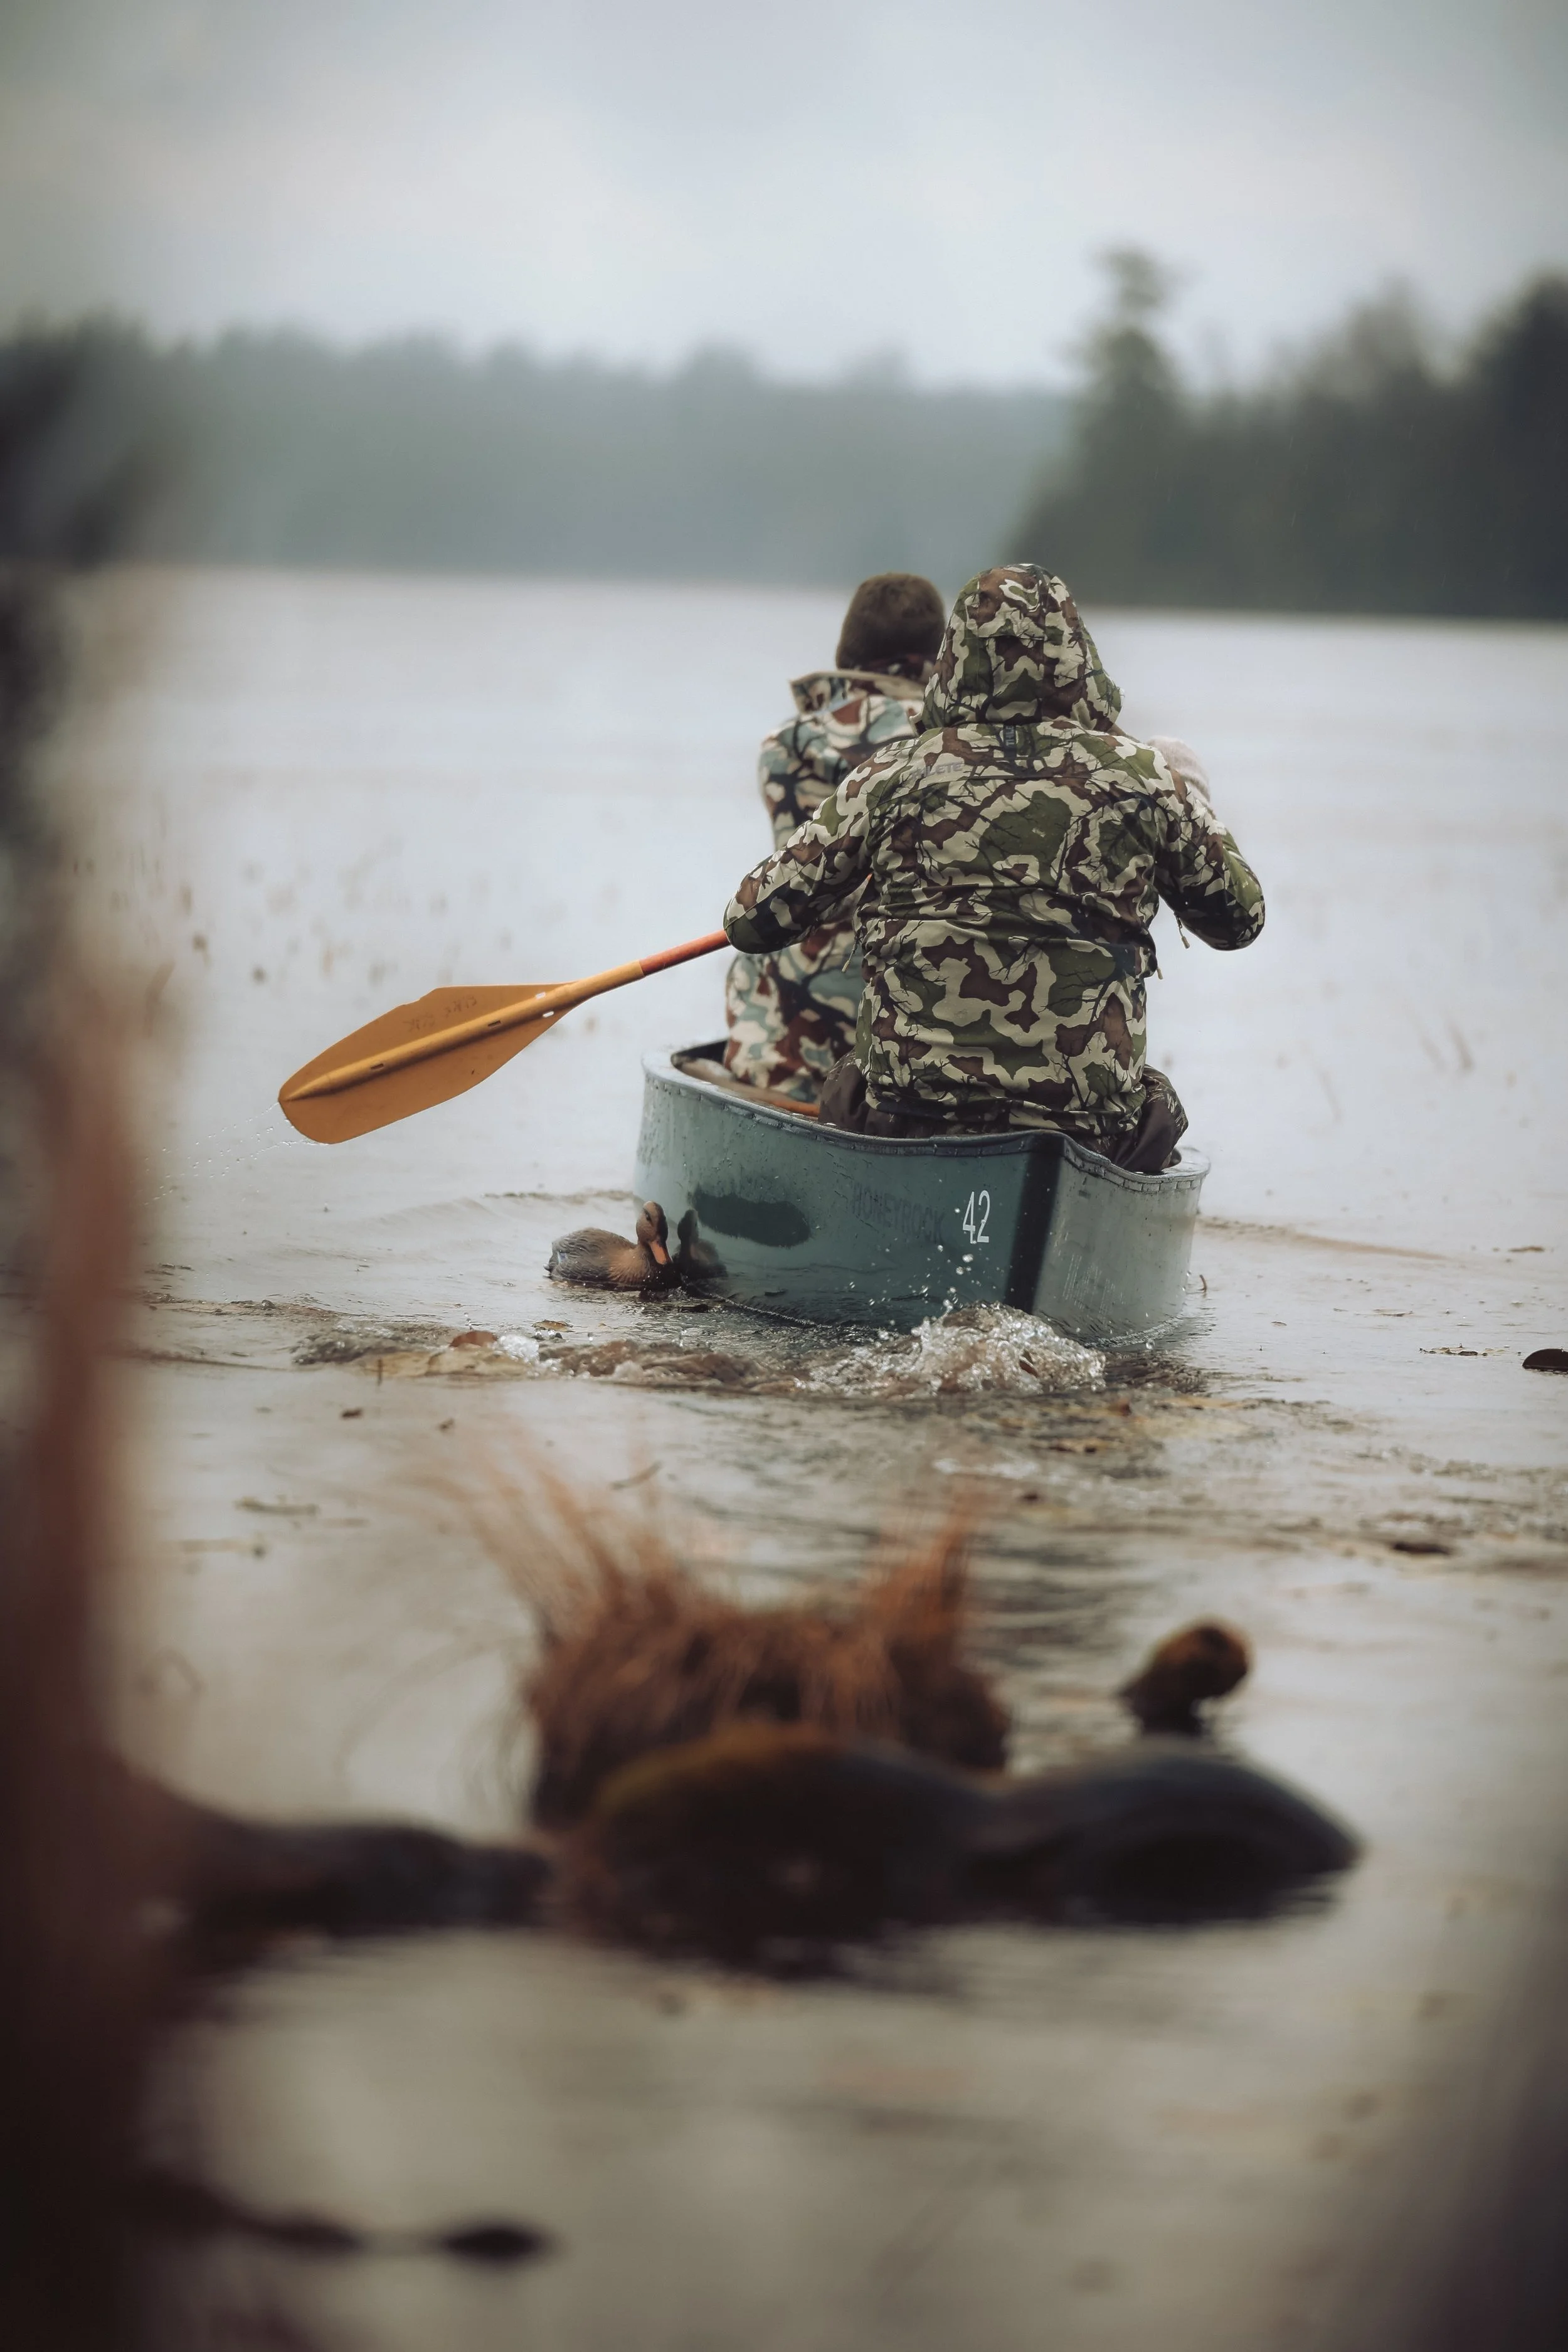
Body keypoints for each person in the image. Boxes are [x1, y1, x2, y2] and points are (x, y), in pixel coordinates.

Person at [722, 564, 1264, 1168]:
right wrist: (1191, 793)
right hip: (1088, 1128)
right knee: (1157, 1104)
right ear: (1078, 657)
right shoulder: (1147, 779)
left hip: (904, 1117)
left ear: (953, 661)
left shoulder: (891, 774)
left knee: (849, 1079)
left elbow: (750, 922)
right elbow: (1239, 921)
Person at [723, 571, 946, 1100]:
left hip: (791, 1041)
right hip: (923, 1033)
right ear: (941, 659)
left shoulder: (789, 744)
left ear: (848, 652)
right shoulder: (954, 746)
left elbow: (793, 896)